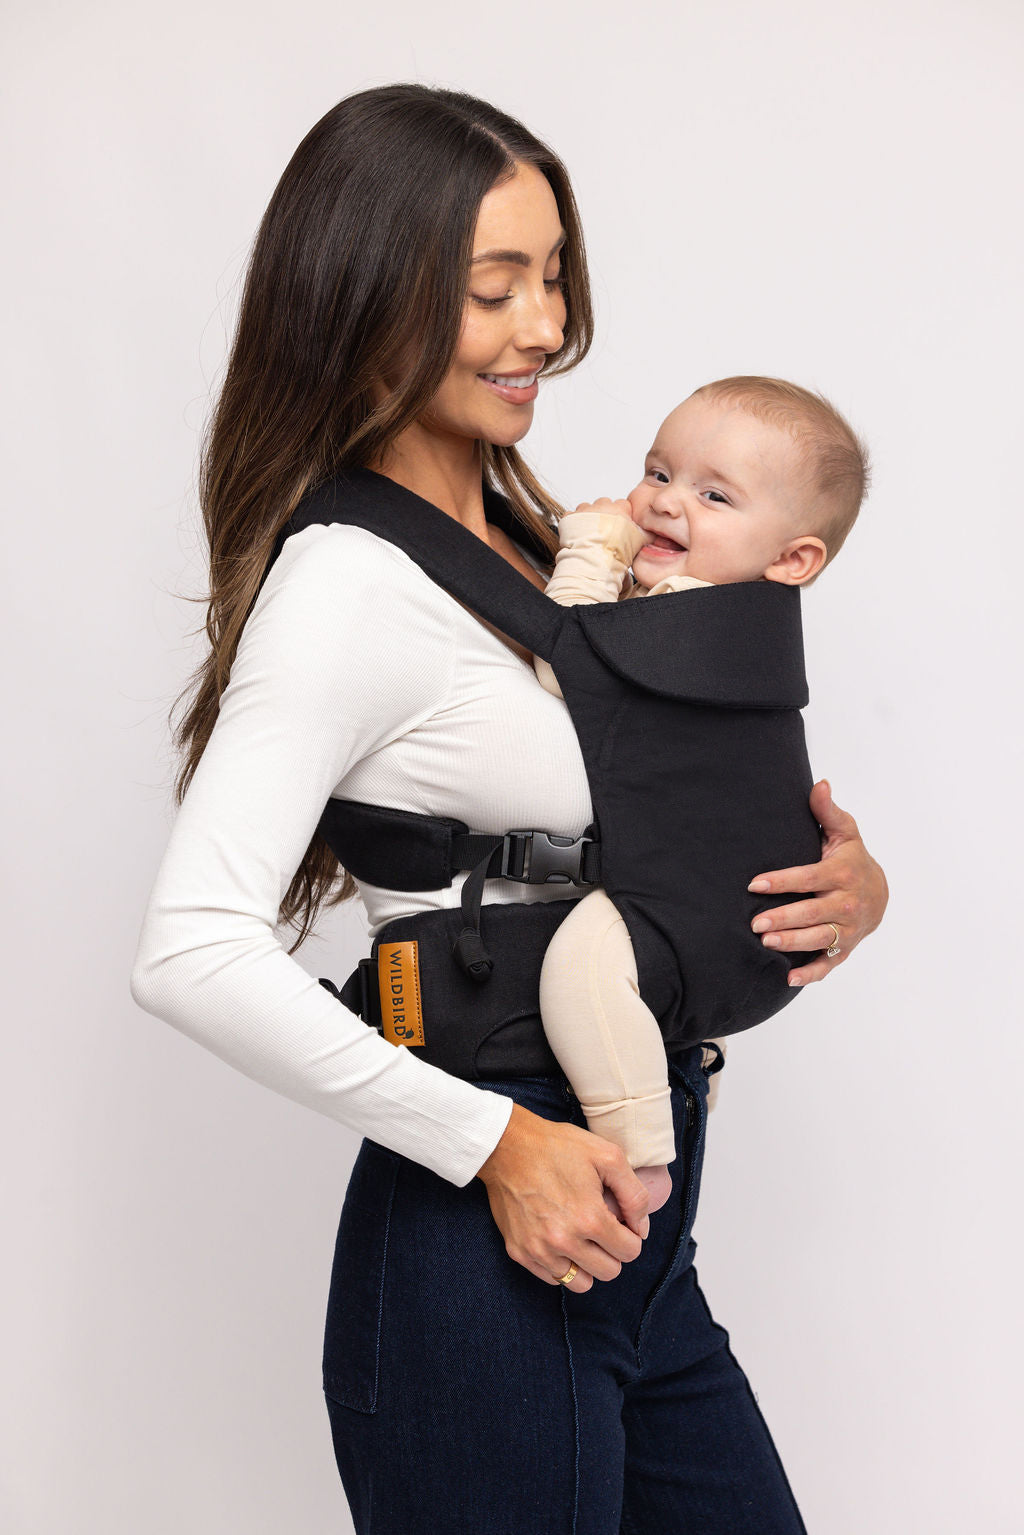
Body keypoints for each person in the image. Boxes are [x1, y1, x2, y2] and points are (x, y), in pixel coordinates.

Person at [129, 84, 889, 1534]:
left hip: (637, 1227)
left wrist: (848, 884)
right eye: (496, 287)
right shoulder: (348, 583)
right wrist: (496, 1144)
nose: (546, 325)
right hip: (495, 1224)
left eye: (554, 277)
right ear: (370, 294)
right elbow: (189, 948)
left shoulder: (559, 544)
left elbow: (663, 797)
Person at [533, 376, 869, 1215]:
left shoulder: (687, 616)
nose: (663, 503)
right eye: (658, 472)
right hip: (745, 924)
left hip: (709, 916)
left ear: (792, 560)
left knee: (578, 967)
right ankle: (664, 1072)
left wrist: (591, 551)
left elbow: (560, 665)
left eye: (713, 494)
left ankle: (641, 1152)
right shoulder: (743, 634)